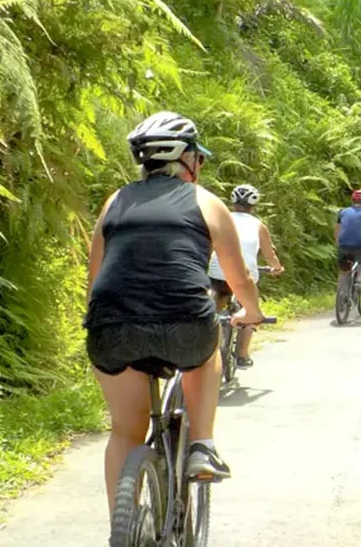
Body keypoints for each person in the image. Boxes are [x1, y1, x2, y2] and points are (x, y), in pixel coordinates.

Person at [84, 111, 267, 517]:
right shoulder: (206, 202)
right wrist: (252, 312)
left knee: (125, 432)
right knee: (208, 351)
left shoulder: (115, 201)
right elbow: (237, 279)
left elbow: (95, 277)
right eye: (199, 157)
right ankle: (202, 445)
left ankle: (125, 527)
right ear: (189, 160)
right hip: (185, 322)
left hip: (112, 328)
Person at [207, 184, 284, 369]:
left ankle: (209, 347)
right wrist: (277, 268)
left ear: (233, 203)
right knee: (249, 309)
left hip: (215, 272)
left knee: (212, 309)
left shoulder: (220, 218)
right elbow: (269, 254)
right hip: (244, 272)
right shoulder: (258, 225)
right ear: (253, 205)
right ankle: (242, 355)